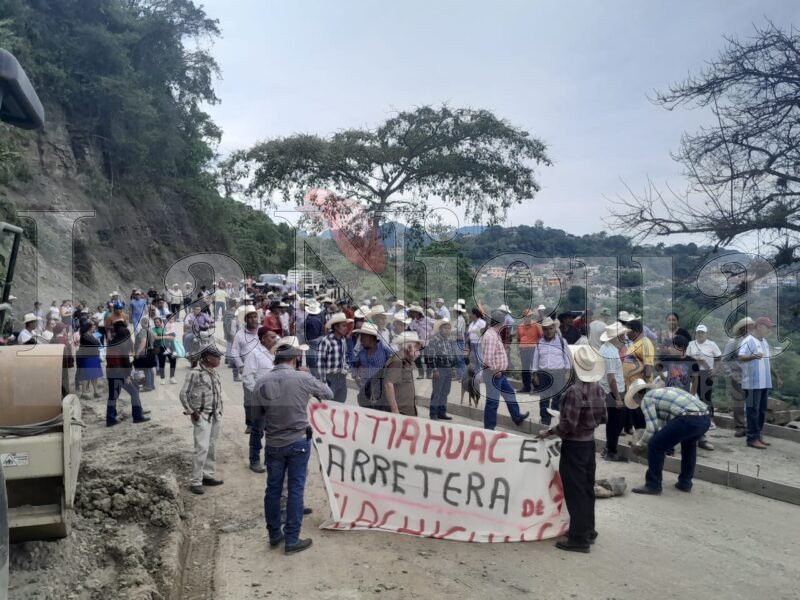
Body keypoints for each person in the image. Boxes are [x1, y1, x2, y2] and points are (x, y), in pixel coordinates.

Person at [251, 341, 334, 554]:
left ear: (275, 360)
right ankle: (292, 539)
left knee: (273, 489)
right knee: (296, 490)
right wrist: (308, 377)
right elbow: (328, 393)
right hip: (298, 441)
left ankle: (274, 535)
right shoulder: (302, 377)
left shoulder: (262, 381)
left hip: (273, 443)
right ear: (295, 359)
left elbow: (256, 416)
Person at [537, 345, 607, 553]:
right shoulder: (599, 389)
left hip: (575, 445)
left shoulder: (573, 392)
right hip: (589, 444)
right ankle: (588, 530)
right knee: (586, 488)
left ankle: (578, 539)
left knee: (575, 491)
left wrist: (549, 432)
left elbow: (569, 425)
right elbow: (604, 417)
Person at [629, 381, 711, 495]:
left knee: (655, 445)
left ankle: (653, 485)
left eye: (636, 401)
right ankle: (685, 483)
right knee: (689, 445)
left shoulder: (646, 399)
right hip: (705, 417)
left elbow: (651, 429)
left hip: (687, 418)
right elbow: (660, 425)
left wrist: (640, 444)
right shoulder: (663, 392)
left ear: (638, 395)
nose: (637, 404)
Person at [179, 345, 225, 495]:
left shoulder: (214, 372)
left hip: (215, 415)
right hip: (202, 416)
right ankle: (196, 481)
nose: (219, 359)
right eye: (216, 357)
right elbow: (183, 394)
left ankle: (208, 475)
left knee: (211, 447)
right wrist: (193, 412)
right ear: (207, 358)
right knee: (202, 448)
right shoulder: (195, 373)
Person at [479, 310, 530, 430]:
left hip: (498, 373)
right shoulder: (491, 335)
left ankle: (516, 416)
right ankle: (489, 428)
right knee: (493, 402)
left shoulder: (494, 333)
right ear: (501, 323)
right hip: (494, 373)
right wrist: (495, 371)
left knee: (509, 393)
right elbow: (488, 357)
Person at [738, 316, 782, 450]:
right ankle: (751, 438)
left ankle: (758, 436)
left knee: (762, 411)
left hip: (765, 382)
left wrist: (777, 376)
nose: (769, 330)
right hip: (752, 383)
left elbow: (768, 361)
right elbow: (740, 357)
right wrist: (752, 356)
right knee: (752, 411)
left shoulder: (765, 342)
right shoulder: (748, 341)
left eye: (770, 328)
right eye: (767, 327)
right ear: (759, 326)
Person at [243, 327, 280, 472]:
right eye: (271, 337)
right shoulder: (255, 354)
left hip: (276, 400)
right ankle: (255, 460)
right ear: (263, 338)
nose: (275, 339)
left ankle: (270, 459)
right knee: (257, 431)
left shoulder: (276, 354)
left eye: (275, 337)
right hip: (260, 400)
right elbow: (247, 377)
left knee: (274, 431)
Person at [106, 321, 150, 427]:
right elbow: (125, 362)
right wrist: (128, 375)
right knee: (134, 392)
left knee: (113, 395)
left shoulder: (111, 343)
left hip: (110, 371)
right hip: (120, 373)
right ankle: (137, 415)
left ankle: (110, 418)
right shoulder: (123, 345)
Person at [531, 317, 572, 426]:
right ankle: (545, 421)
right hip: (544, 374)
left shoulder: (562, 342)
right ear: (543, 330)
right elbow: (536, 358)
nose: (548, 331)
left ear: (554, 328)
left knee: (558, 398)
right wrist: (535, 374)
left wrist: (567, 373)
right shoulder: (539, 342)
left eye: (550, 328)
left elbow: (567, 357)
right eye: (545, 329)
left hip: (559, 373)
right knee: (544, 398)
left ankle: (558, 421)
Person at [598, 322, 629, 462]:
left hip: (609, 389)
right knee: (615, 422)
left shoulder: (607, 348)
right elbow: (611, 378)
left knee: (614, 422)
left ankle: (609, 448)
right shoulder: (610, 352)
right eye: (622, 335)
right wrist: (617, 397)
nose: (624, 336)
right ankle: (611, 450)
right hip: (613, 391)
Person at [722, 317, 755, 437]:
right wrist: (731, 374)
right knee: (739, 403)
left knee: (752, 402)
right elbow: (725, 360)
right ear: (743, 328)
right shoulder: (733, 342)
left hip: (751, 376)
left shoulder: (753, 341)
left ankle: (751, 427)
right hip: (737, 375)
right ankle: (740, 427)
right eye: (749, 326)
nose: (752, 329)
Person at [377, 331, 423, 415]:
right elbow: (388, 384)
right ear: (409, 347)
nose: (419, 352)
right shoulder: (398, 360)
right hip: (400, 412)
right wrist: (395, 410)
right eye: (416, 348)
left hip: (405, 411)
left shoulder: (405, 360)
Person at [351, 322, 393, 410]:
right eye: (360, 337)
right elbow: (354, 363)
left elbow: (394, 364)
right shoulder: (361, 352)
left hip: (380, 394)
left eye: (363, 337)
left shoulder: (385, 350)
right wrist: (355, 377)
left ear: (371, 337)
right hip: (364, 392)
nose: (361, 340)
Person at [687, 324, 722, 428]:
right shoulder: (691, 344)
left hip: (706, 372)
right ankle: (696, 418)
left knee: (706, 396)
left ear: (706, 334)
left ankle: (710, 420)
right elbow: (687, 358)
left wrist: (715, 370)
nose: (700, 334)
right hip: (693, 373)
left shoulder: (712, 344)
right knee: (694, 395)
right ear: (696, 334)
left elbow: (719, 358)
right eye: (698, 333)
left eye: (702, 332)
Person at [231, 308, 261, 430]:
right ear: (246, 320)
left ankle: (263, 422)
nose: (253, 319)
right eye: (250, 317)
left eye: (255, 317)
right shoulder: (240, 334)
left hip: (263, 370)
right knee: (249, 399)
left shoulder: (263, 331)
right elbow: (234, 351)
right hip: (248, 370)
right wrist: (241, 366)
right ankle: (250, 424)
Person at [424, 319, 459, 420]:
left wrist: (453, 368)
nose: (447, 330)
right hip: (439, 369)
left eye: (449, 328)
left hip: (448, 368)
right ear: (440, 329)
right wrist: (435, 370)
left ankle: (441, 412)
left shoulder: (448, 340)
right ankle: (433, 413)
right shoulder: (434, 340)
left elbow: (451, 354)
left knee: (445, 391)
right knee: (437, 391)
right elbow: (431, 356)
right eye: (445, 328)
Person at [317, 312, 353, 403]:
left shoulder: (343, 340)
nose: (346, 328)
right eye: (343, 326)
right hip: (330, 379)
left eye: (346, 326)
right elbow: (321, 362)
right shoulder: (326, 341)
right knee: (327, 405)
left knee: (340, 405)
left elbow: (345, 356)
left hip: (341, 378)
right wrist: (323, 382)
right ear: (336, 327)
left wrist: (346, 368)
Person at [517, 309, 542, 393]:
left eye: (530, 316)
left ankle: (537, 386)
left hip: (533, 349)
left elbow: (541, 336)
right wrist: (519, 347)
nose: (529, 317)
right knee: (525, 369)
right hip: (523, 350)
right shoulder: (520, 326)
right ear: (524, 317)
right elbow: (518, 338)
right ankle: (526, 387)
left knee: (534, 368)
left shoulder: (535, 325)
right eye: (527, 316)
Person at [76, 320, 103, 399]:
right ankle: (83, 393)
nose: (94, 327)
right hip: (88, 358)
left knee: (94, 375)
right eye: (93, 326)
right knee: (85, 375)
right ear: (89, 328)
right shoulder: (85, 336)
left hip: (93, 357)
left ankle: (96, 392)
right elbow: (97, 343)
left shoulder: (89, 335)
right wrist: (96, 338)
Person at [152, 315, 178, 384]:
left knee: (173, 360)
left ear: (161, 322)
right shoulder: (154, 329)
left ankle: (172, 377)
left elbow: (172, 335)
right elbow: (155, 337)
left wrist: (170, 337)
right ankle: (162, 378)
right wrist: (166, 337)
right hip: (160, 347)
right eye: (155, 322)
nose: (156, 323)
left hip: (168, 346)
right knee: (161, 362)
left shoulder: (166, 328)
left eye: (157, 322)